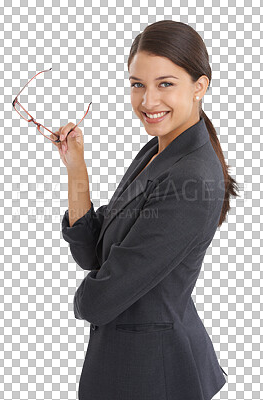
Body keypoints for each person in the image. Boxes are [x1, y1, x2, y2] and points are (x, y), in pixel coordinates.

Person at [51, 20, 239, 400]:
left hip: (155, 375)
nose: (148, 101)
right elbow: (91, 250)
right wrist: (76, 168)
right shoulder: (159, 149)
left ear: (200, 87)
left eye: (165, 83)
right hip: (129, 366)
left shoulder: (193, 179)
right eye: (138, 85)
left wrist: (85, 295)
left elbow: (98, 302)